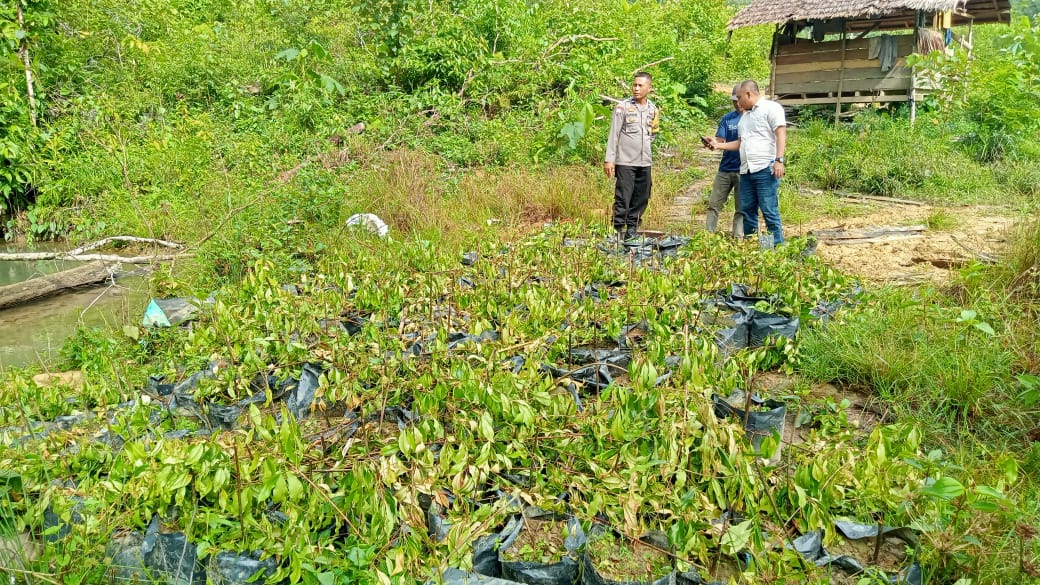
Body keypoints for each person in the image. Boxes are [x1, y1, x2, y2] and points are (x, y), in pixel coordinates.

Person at [708, 79, 787, 245]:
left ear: (749, 94)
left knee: (769, 211)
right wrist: (718, 145)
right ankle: (751, 247)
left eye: (739, 97)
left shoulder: (771, 108)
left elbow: (781, 133)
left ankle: (778, 248)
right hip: (745, 171)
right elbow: (740, 143)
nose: (737, 102)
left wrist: (779, 160)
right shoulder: (745, 118)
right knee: (747, 211)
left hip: (765, 169)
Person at [604, 72, 660, 241]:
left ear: (649, 88)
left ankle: (632, 228)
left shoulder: (653, 110)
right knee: (623, 196)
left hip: (645, 161)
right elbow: (614, 134)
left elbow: (653, 133)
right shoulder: (623, 108)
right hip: (625, 161)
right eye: (634, 85)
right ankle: (618, 229)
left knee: (642, 196)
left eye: (640, 85)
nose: (636, 88)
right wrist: (609, 159)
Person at [703, 85, 744, 237]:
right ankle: (708, 236)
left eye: (739, 100)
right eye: (734, 100)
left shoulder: (752, 118)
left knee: (741, 208)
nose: (737, 104)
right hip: (726, 168)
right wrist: (712, 142)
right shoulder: (727, 119)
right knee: (714, 204)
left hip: (744, 169)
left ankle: (738, 237)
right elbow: (721, 140)